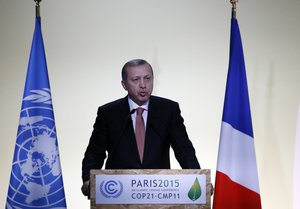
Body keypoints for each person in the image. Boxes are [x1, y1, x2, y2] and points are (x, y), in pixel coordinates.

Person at [81, 59, 200, 197]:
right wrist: (88, 179)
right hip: (118, 192)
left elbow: (184, 149)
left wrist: (197, 177)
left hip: (158, 192)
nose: (143, 85)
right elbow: (95, 152)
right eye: (136, 79)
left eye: (147, 78)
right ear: (124, 84)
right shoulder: (108, 113)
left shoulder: (168, 110)